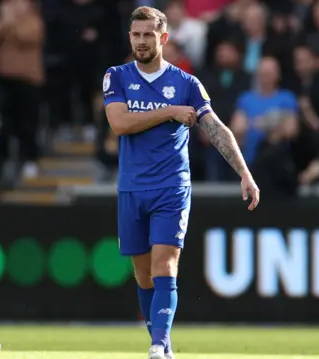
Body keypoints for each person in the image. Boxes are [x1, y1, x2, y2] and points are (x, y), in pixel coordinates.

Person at [102, 6, 260, 359]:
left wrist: (244, 173)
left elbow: (216, 128)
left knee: (165, 264)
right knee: (143, 275)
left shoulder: (187, 84)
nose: (141, 41)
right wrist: (169, 112)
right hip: (131, 188)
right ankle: (162, 340)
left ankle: (158, 345)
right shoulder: (117, 76)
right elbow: (120, 124)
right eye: (136, 34)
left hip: (171, 187)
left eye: (148, 35)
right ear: (130, 37)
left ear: (164, 38)